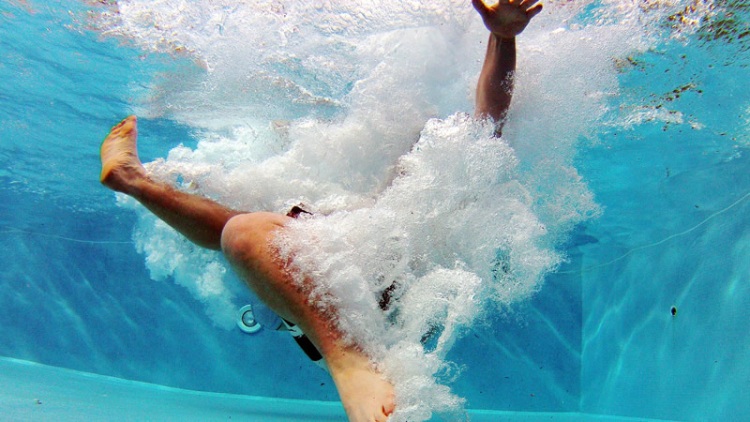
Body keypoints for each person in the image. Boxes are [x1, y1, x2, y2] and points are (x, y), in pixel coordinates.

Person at [99, 1, 542, 421]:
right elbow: (487, 121)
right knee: (237, 230)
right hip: (332, 297)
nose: (408, 158)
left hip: (364, 312)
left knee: (240, 233)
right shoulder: (375, 212)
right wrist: (501, 37)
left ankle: (349, 359)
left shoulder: (448, 194)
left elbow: (490, 116)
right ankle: (133, 181)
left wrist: (503, 40)